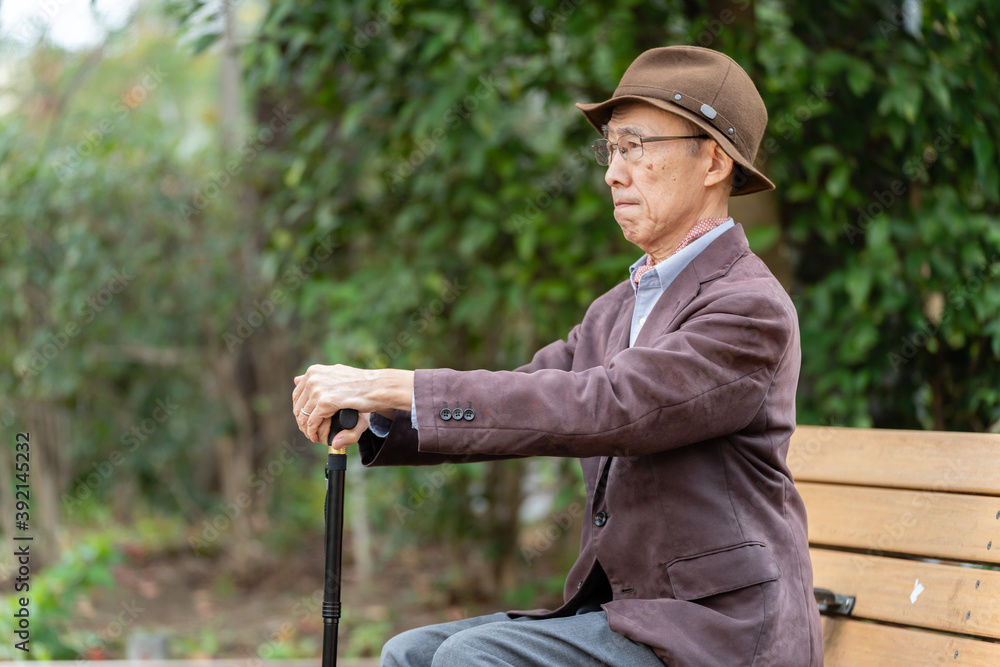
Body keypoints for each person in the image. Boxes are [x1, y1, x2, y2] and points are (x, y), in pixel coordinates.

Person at [291, 45, 823, 666]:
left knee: (473, 660)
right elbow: (530, 395)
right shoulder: (617, 309)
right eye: (612, 150)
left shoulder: (748, 309)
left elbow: (604, 406)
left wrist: (396, 384)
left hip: (719, 633)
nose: (613, 173)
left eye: (636, 146)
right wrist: (378, 418)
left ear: (711, 159)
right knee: (410, 654)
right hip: (630, 615)